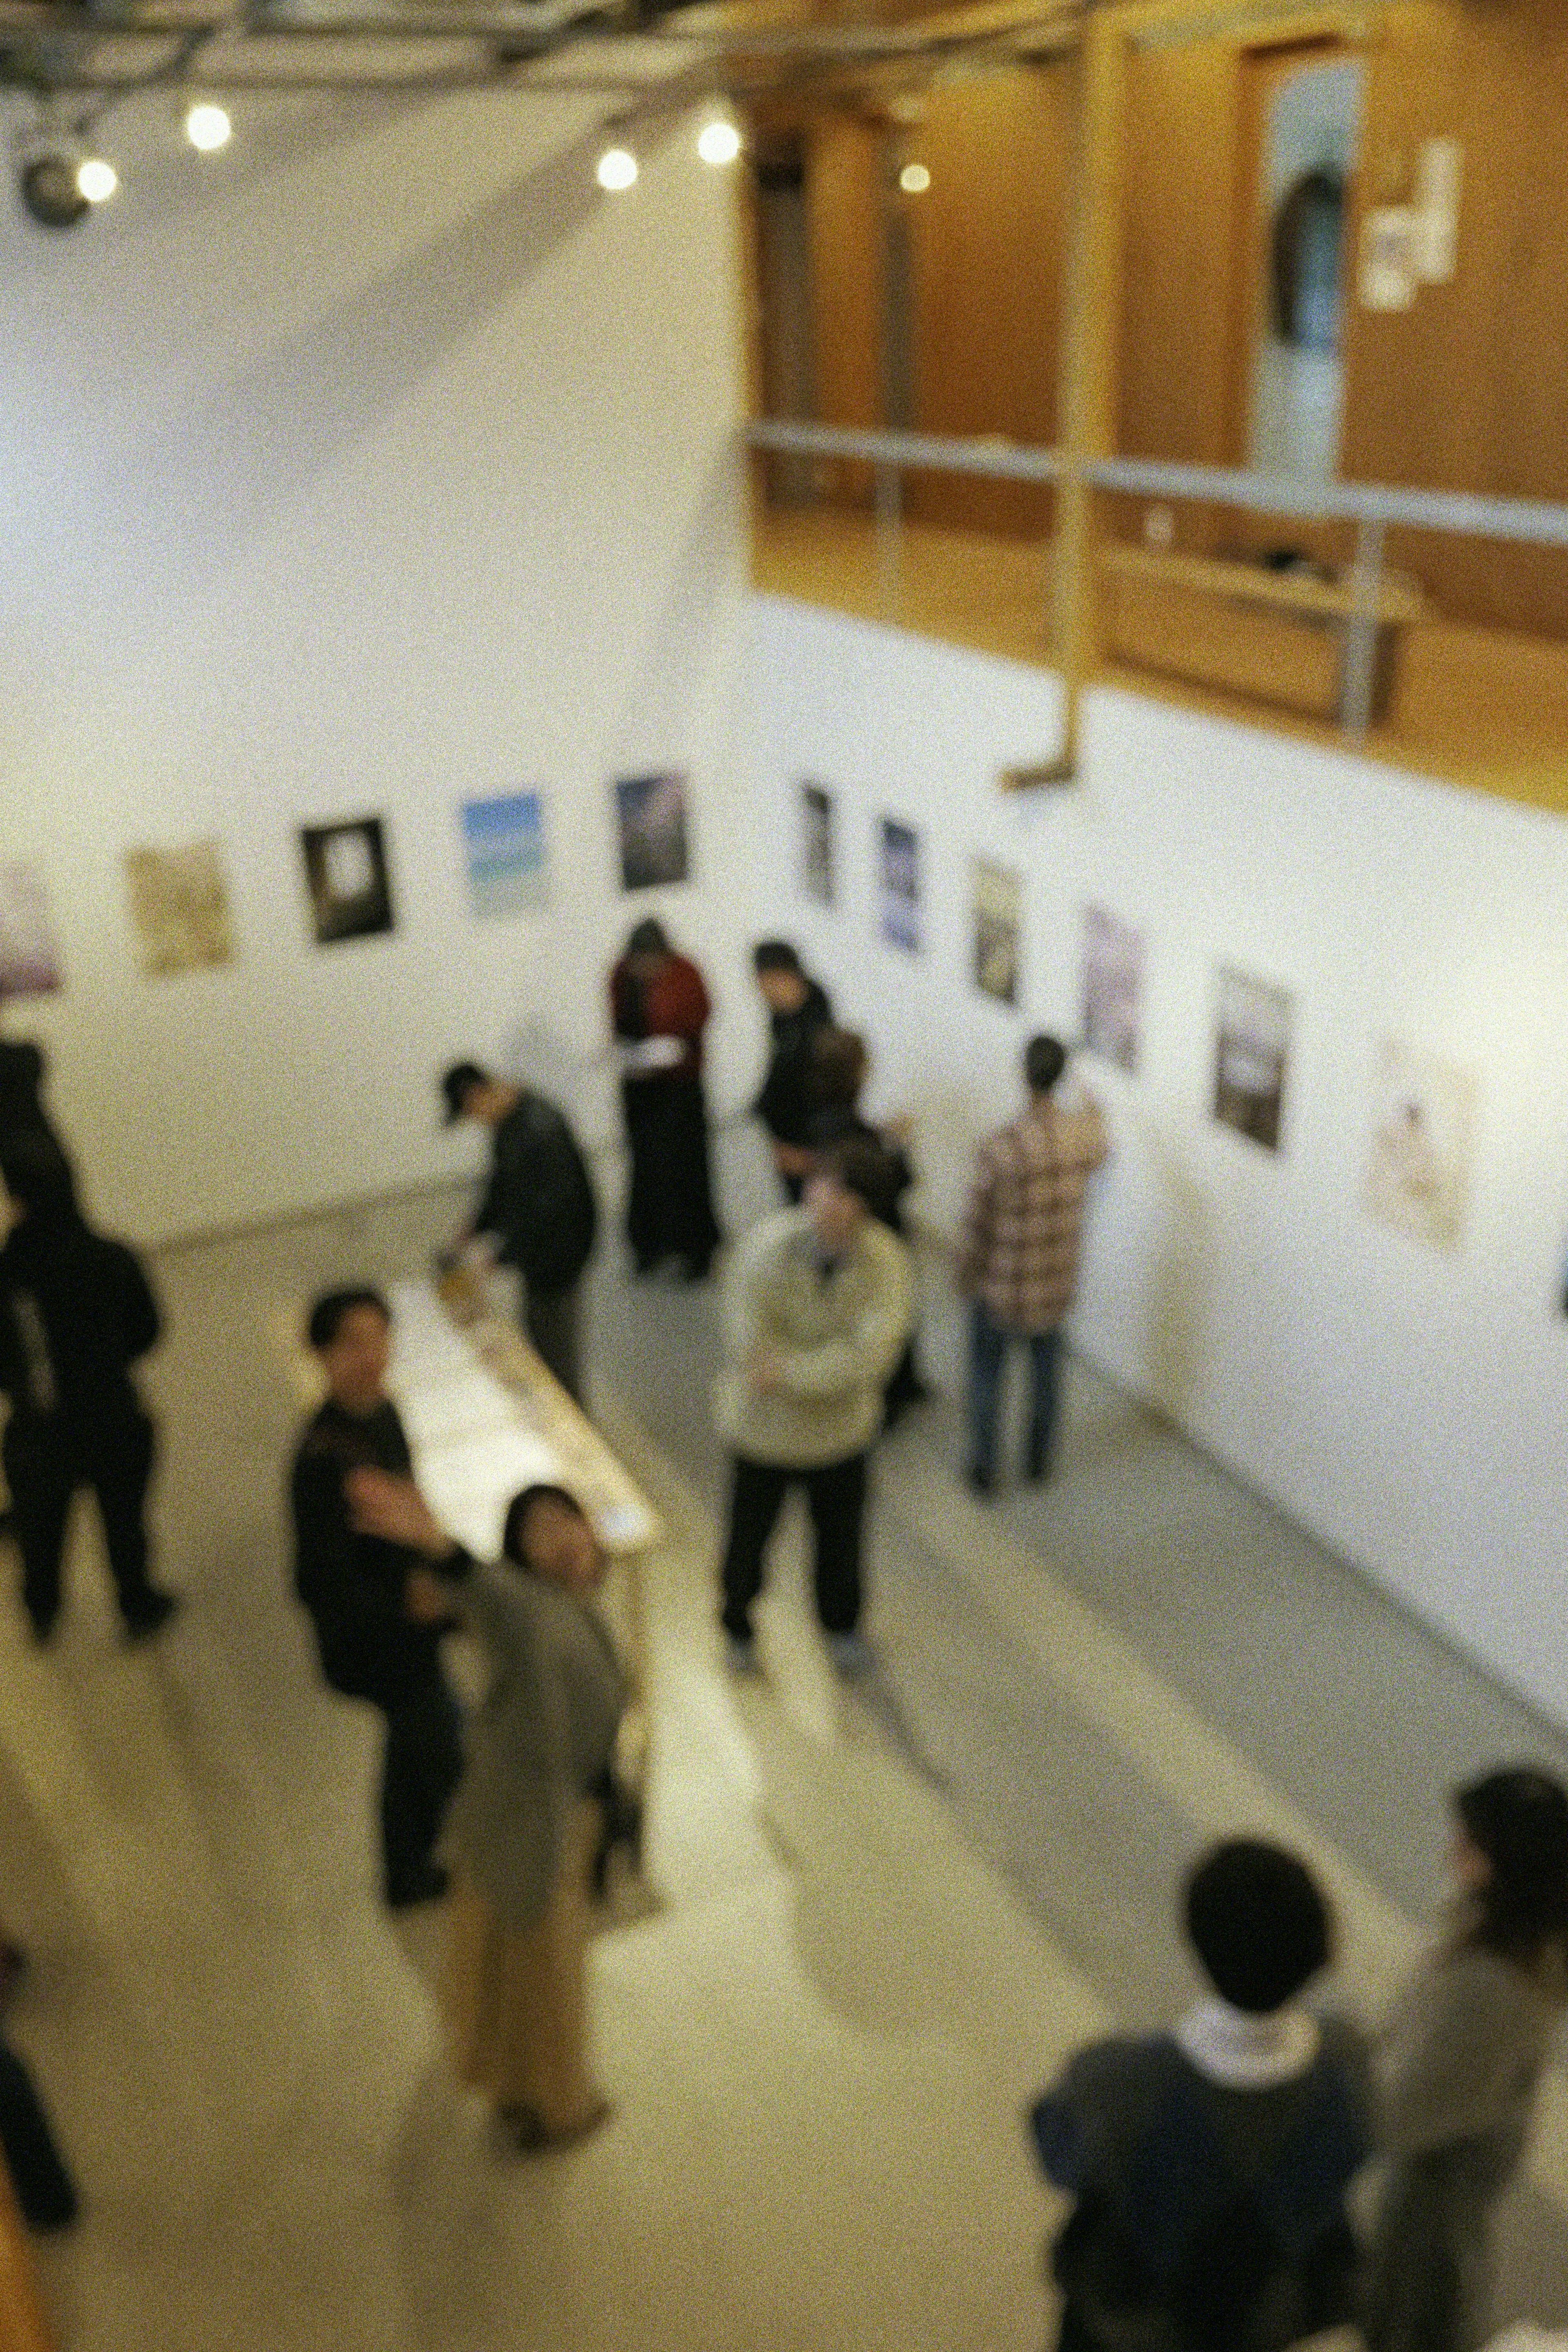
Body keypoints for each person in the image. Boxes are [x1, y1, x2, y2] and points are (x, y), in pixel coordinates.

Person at [345, 1473, 627, 2152]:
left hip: (522, 1822)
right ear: (519, 1557)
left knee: (511, 1972)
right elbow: (496, 1599)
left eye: (569, 1520)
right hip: (532, 1832)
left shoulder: (574, 1605)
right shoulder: (531, 1611)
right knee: (547, 1982)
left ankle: (514, 2089)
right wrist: (445, 1552)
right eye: (539, 1532)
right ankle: (561, 2109)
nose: (561, 1538)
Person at [1030, 1838, 1371, 2352]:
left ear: (1195, 1938)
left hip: (1122, 2326)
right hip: (1257, 2322)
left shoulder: (1116, 2079)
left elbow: (1058, 2156)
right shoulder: (1349, 2064)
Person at [1363, 1764, 1568, 2352]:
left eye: (1469, 1841)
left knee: (1416, 2301)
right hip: (1468, 2150)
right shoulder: (1527, 1936)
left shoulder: (1492, 1990)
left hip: (1442, 2175)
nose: (1452, 1849)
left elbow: (1402, 2114)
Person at [289, 1287, 463, 1911]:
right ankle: (453, 1874)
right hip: (380, 1644)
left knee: (411, 1748)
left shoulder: (382, 1414)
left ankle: (405, 1874)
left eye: (380, 1338)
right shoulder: (321, 1460)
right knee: (450, 1757)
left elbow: (407, 1506)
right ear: (322, 1354)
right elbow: (317, 1582)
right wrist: (408, 1609)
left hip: (408, 1625)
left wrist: (424, 1568)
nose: (371, 1356)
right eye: (352, 1344)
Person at [715, 1138, 912, 1677]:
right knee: (747, 1540)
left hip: (840, 1436)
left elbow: (870, 1357)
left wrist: (792, 1374)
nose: (827, 1201)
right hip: (764, 1433)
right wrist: (803, 1371)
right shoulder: (766, 1247)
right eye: (822, 1186)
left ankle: (842, 1626)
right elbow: (747, 1337)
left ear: (864, 1207)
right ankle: (737, 1624)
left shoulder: (886, 1263)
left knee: (842, 1544)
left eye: (844, 1193)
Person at [0, 1136, 180, 1643]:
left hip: (40, 1434)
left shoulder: (7, 1276)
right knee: (126, 1527)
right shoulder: (112, 1257)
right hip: (115, 1421)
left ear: (18, 1203)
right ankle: (137, 1606)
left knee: (41, 1537)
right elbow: (148, 1330)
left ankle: (42, 1614)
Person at [956, 1033, 1107, 1494]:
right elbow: (1102, 1142)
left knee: (987, 1376)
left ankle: (985, 1467)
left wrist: (964, 1274)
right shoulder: (1080, 1138)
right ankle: (1038, 1463)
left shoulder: (1001, 1146)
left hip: (1002, 1285)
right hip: (1055, 1284)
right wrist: (1092, 1104)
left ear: (1024, 1074)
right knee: (1047, 1379)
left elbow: (976, 1224)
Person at [440, 1062, 598, 1407]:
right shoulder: (509, 1124)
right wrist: (477, 1227)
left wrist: (500, 1257)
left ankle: (574, 1423)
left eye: (470, 1111)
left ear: (477, 1095)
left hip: (560, 1252)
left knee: (555, 1344)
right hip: (544, 1249)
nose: (475, 1120)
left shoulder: (538, 1128)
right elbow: (504, 1186)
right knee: (543, 1335)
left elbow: (548, 1211)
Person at [808, 1027, 929, 1427]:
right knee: (884, 1309)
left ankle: (898, 1387)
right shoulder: (845, 1130)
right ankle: (891, 1396)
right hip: (873, 1236)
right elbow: (890, 1179)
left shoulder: (824, 1120)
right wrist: (895, 1147)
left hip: (860, 1236)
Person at [608, 919, 721, 1281]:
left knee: (686, 1169)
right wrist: (627, 1055)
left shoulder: (686, 974)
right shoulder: (620, 974)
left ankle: (695, 1250)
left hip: (679, 1088)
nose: (646, 971)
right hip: (639, 1089)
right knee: (644, 1167)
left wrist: (668, 1053)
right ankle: (649, 1247)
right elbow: (618, 1023)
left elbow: (699, 1021)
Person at [751, 940, 834, 1204]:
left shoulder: (816, 1023)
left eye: (764, 982)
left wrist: (807, 1151)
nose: (762, 992)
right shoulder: (781, 1014)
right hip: (784, 1131)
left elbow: (818, 1085)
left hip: (807, 1137)